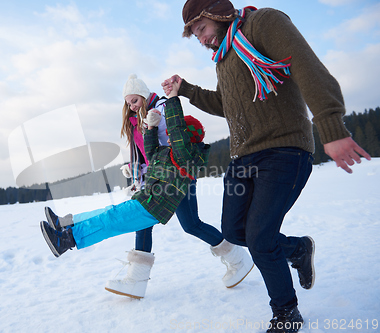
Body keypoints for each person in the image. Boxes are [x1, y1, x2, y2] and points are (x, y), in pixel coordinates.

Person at [161, 1, 371, 332]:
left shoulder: (263, 25)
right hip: (243, 157)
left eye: (200, 29)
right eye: (195, 34)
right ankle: (297, 249)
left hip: (284, 151)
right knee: (234, 231)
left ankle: (286, 313)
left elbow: (306, 67)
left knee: (259, 237)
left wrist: (331, 126)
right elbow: (226, 104)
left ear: (217, 13)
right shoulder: (226, 57)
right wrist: (185, 89)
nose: (200, 39)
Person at [40, 80, 252, 300]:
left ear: (185, 139)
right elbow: (150, 152)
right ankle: (136, 279)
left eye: (175, 135)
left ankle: (69, 238)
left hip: (156, 200)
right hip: (152, 196)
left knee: (114, 218)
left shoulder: (182, 152)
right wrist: (150, 128)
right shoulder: (166, 152)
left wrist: (172, 99)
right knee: (189, 225)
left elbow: (177, 127)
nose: (170, 135)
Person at [100, 74, 253, 299]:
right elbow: (149, 155)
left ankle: (238, 260)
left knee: (189, 224)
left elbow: (175, 135)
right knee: (175, 223)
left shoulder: (160, 108)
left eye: (135, 100)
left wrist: (166, 107)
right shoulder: (137, 122)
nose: (132, 107)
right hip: (160, 178)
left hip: (178, 175)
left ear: (143, 95)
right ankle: (137, 280)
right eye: (128, 103)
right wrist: (137, 169)